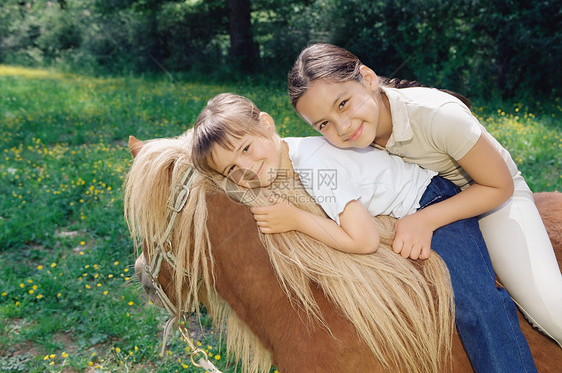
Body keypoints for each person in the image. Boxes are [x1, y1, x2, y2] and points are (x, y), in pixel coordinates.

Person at [191, 93, 537, 372]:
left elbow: (364, 240)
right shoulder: (284, 157)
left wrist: (295, 220)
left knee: (475, 304)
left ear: (266, 124)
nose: (246, 168)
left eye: (246, 149)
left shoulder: (314, 165)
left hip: (431, 202)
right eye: (232, 169)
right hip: (397, 210)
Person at [287, 43, 562, 349]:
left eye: (343, 104)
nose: (342, 126)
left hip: (489, 199)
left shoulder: (438, 115)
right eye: (323, 123)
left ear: (367, 78)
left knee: (548, 309)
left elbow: (499, 186)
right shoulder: (350, 138)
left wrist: (425, 219)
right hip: (426, 198)